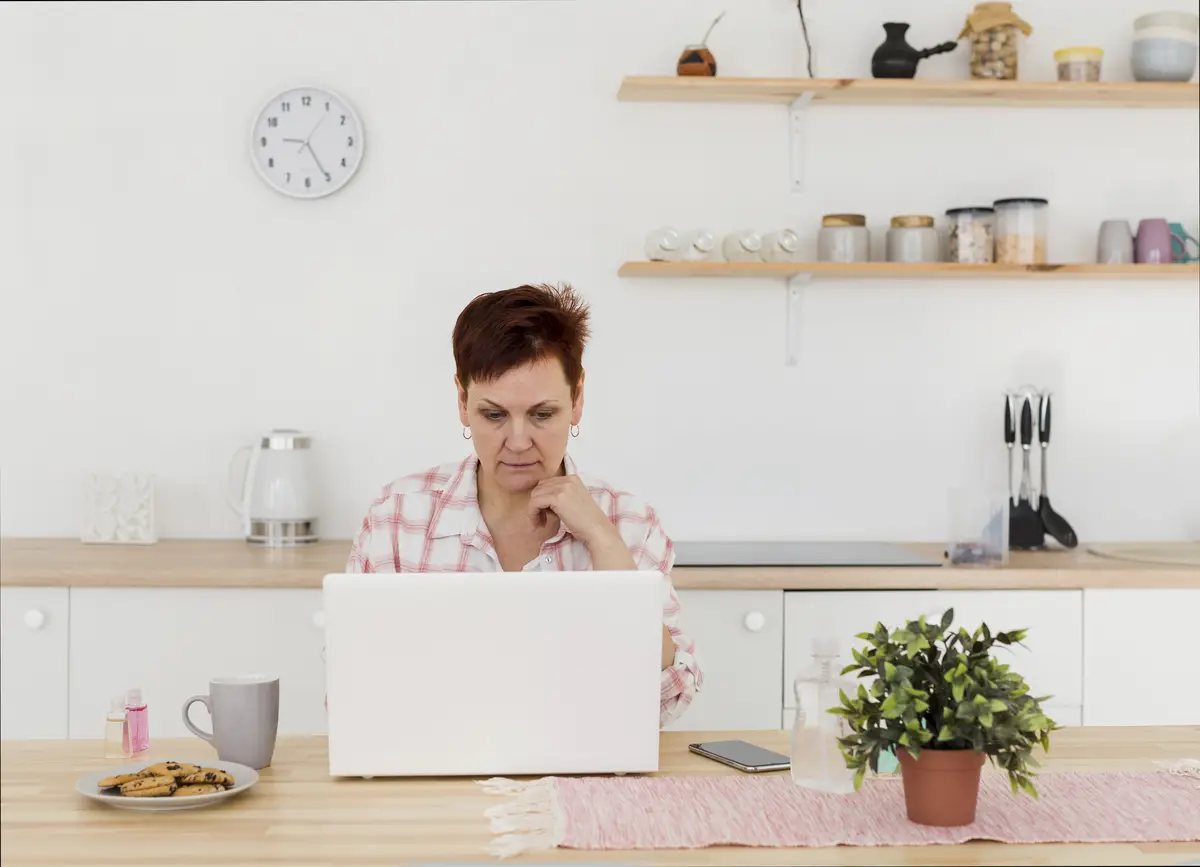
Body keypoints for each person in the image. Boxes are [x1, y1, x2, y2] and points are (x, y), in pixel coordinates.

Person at [345, 282, 702, 727]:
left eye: (541, 414)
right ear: (462, 401)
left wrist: (603, 541)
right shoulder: (397, 517)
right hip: (430, 782)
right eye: (494, 415)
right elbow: (354, 693)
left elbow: (667, 702)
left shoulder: (628, 523)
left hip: (584, 784)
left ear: (577, 400)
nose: (517, 442)